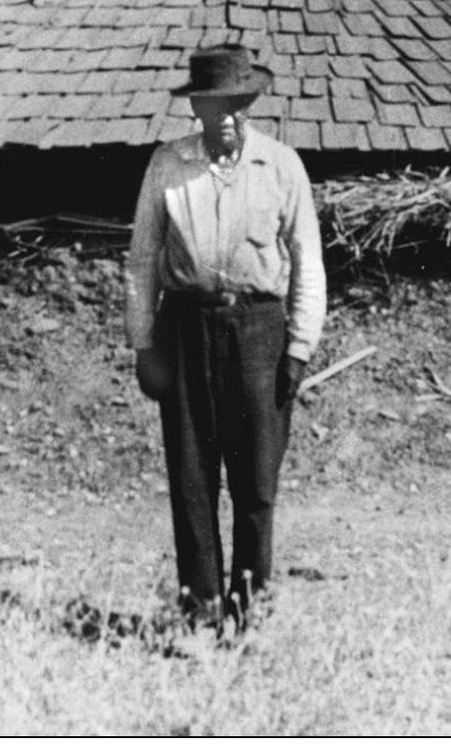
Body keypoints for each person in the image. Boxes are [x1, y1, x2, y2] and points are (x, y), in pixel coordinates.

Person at [125, 42, 326, 630]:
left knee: (256, 482)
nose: (227, 119)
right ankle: (200, 612)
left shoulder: (281, 165)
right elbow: (141, 261)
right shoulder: (168, 164)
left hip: (259, 332)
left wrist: (297, 348)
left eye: (237, 106)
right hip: (185, 329)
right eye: (214, 108)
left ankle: (252, 611)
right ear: (197, 110)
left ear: (251, 104)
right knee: (192, 479)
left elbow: (307, 261)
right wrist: (142, 343)